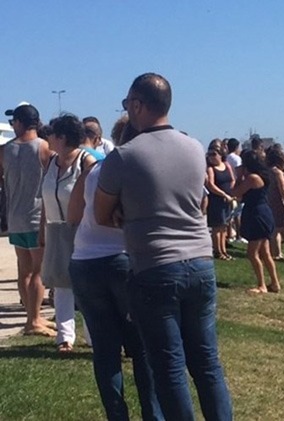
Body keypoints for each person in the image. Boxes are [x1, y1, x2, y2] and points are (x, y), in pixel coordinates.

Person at [95, 73, 232, 420]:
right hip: (200, 260)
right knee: (207, 363)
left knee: (169, 367)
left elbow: (100, 214)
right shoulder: (195, 147)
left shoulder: (124, 157)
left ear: (137, 105)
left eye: (127, 104)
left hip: (154, 265)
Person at [68, 121, 163, 420]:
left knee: (105, 349)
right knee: (143, 346)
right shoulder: (141, 171)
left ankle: (116, 415)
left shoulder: (93, 169)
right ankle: (153, 414)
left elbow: (73, 215)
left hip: (84, 260)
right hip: (123, 260)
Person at [40, 114, 97, 352]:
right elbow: (45, 196)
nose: (48, 138)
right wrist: (42, 228)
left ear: (62, 137)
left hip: (82, 230)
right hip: (56, 228)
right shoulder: (51, 162)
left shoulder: (87, 161)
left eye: (52, 134)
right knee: (61, 283)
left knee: (87, 286)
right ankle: (65, 337)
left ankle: (95, 335)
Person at [1, 103, 57, 337]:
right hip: (37, 217)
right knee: (39, 270)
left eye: (14, 121)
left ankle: (30, 316)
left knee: (23, 270)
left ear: (22, 122)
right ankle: (34, 320)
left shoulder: (4, 151)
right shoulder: (44, 148)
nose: (13, 124)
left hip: (15, 216)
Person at [232, 149, 281, 294]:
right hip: (262, 212)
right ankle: (275, 283)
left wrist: (238, 176)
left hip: (257, 214)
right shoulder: (261, 176)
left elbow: (235, 193)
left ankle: (262, 285)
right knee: (265, 252)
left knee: (252, 253)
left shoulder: (252, 178)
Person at [205, 144, 235, 260]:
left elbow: (232, 179)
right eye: (209, 154)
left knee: (224, 226)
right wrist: (223, 194)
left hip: (227, 200)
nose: (211, 157)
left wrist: (231, 193)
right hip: (216, 200)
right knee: (217, 227)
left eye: (214, 154)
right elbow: (210, 185)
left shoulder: (226, 165)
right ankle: (218, 251)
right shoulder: (210, 169)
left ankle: (224, 250)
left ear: (220, 155)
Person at [266, 145, 284, 262]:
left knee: (272, 229)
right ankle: (277, 253)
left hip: (267, 201)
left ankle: (274, 251)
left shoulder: (265, 171)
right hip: (276, 201)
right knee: (277, 229)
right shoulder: (278, 173)